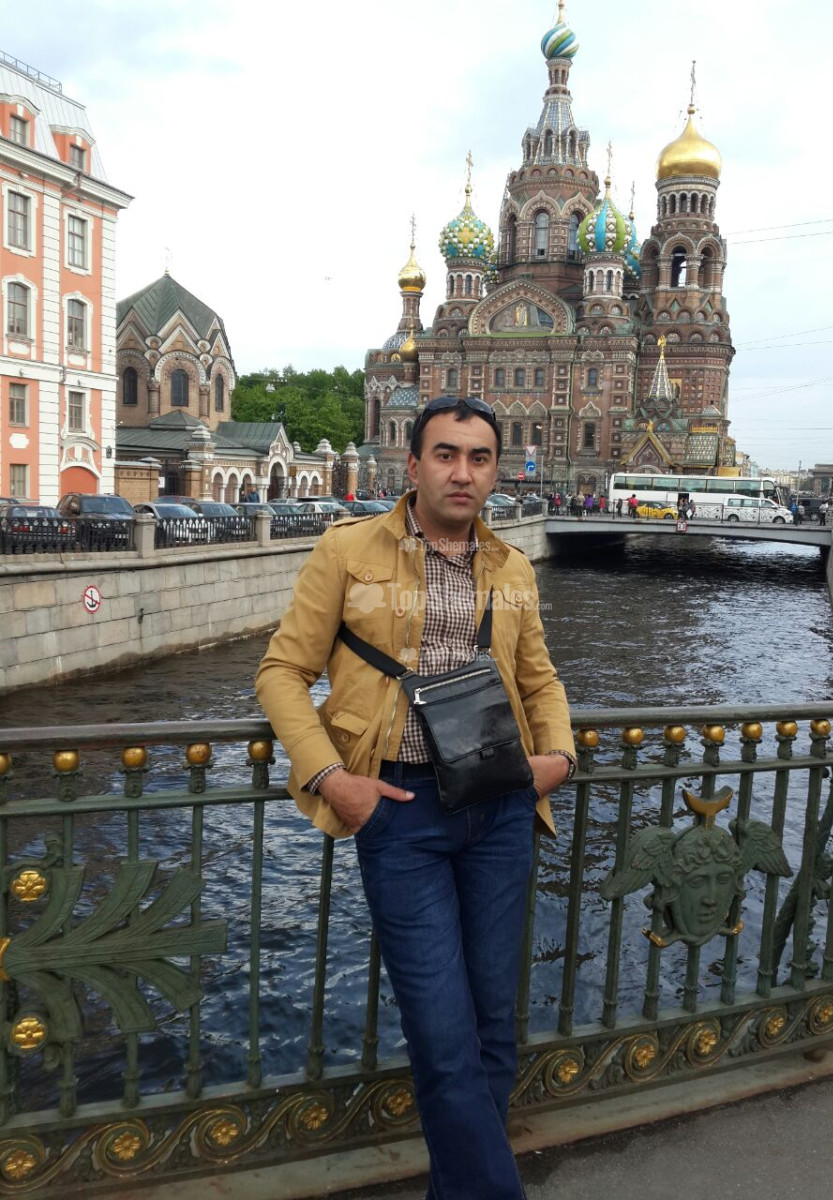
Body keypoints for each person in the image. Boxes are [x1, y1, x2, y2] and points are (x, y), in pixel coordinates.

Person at [256, 395, 575, 1200]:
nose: (462, 472)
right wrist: (333, 780)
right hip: (399, 809)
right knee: (441, 1033)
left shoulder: (511, 567)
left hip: (500, 808)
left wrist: (559, 758)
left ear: (496, 472)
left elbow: (539, 679)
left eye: (478, 458)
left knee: (492, 1029)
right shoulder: (347, 549)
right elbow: (282, 672)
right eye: (445, 454)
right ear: (413, 464)